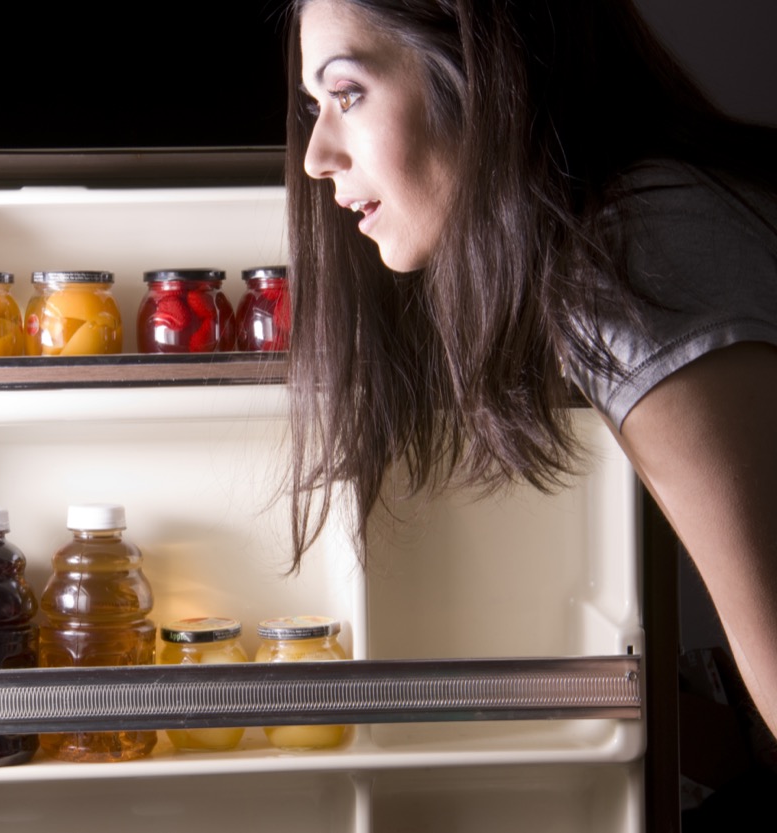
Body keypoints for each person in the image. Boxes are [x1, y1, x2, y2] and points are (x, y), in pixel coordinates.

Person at [283, 0, 777, 738]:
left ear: (482, 75)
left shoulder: (634, 264)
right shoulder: (638, 219)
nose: (316, 155)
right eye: (315, 106)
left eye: (348, 94)